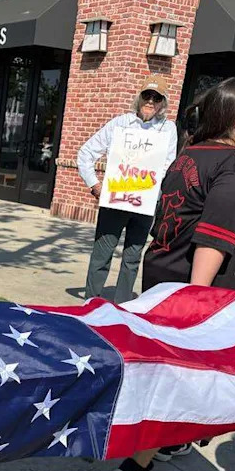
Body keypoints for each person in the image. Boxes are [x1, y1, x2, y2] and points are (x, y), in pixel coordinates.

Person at [111, 76, 235, 471]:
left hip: (164, 279)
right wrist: (197, 305)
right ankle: (139, 461)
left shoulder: (193, 154)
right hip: (199, 292)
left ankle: (169, 440)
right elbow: (214, 236)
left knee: (170, 372)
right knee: (186, 376)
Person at [77, 75, 178, 303]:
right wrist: (95, 186)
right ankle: (90, 304)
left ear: (163, 103)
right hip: (116, 200)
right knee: (102, 255)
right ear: (139, 97)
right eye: (147, 95)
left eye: (157, 97)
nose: (151, 101)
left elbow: (167, 165)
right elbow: (85, 153)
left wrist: (146, 187)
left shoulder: (168, 129)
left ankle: (122, 309)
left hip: (145, 203)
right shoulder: (119, 124)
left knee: (132, 257)